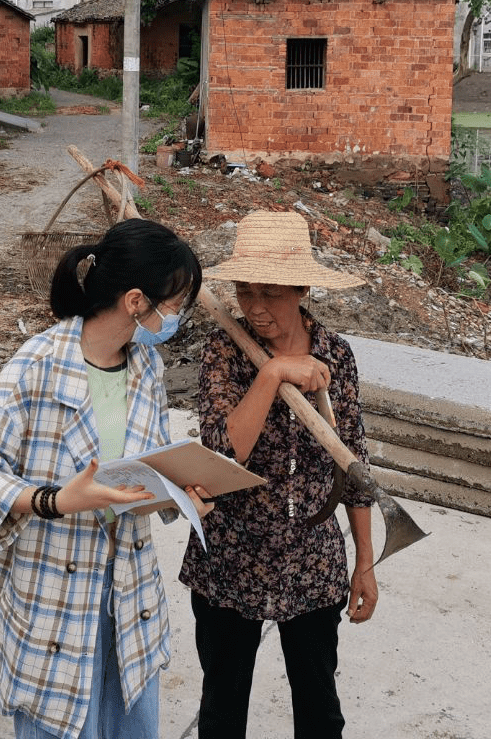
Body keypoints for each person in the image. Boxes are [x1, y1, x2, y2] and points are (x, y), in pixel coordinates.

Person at [0, 218, 211, 739]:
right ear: (137, 301)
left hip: (128, 594)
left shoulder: (146, 368)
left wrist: (178, 496)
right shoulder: (38, 366)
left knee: (129, 724)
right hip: (56, 595)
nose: (178, 317)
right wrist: (54, 500)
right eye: (176, 303)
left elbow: (150, 463)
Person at [179, 210, 378, 739]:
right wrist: (270, 374)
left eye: (270, 293)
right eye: (245, 291)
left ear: (302, 288)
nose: (256, 308)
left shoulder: (336, 355)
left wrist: (365, 563)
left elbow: (353, 463)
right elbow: (223, 453)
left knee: (319, 711)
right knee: (222, 710)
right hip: (230, 558)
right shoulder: (224, 349)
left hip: (311, 561)